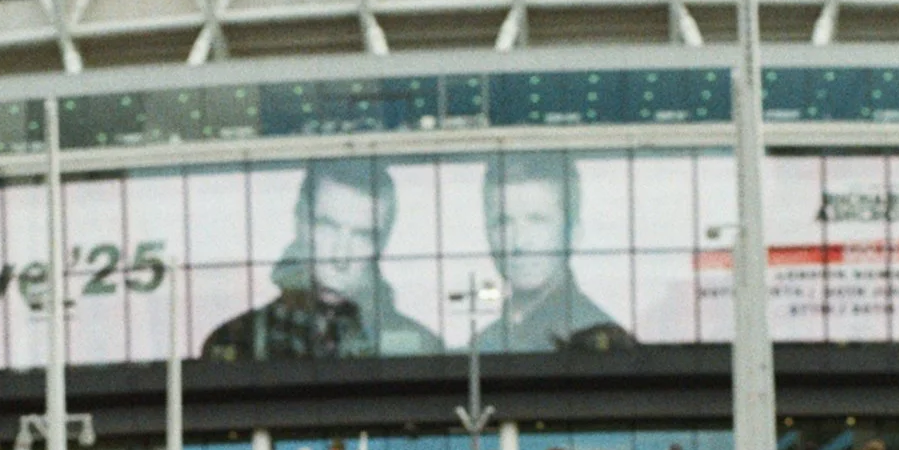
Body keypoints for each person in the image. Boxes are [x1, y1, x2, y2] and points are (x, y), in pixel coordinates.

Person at [202, 158, 441, 360]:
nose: (341, 257)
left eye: (362, 236)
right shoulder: (238, 341)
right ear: (300, 222)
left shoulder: (422, 346)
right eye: (327, 227)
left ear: (382, 244)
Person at [476, 155, 635, 353]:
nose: (519, 242)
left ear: (574, 233)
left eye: (538, 220)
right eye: (503, 222)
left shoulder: (600, 342)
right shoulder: (483, 343)